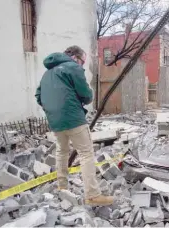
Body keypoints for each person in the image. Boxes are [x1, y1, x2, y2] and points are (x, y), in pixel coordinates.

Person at [35, 45, 114, 206]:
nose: (82, 65)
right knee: (85, 153)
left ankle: (62, 187)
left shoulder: (47, 74)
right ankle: (92, 195)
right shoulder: (72, 67)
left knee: (61, 152)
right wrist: (86, 98)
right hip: (73, 117)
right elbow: (85, 94)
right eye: (82, 61)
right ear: (75, 57)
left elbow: (38, 96)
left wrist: (52, 109)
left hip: (55, 120)